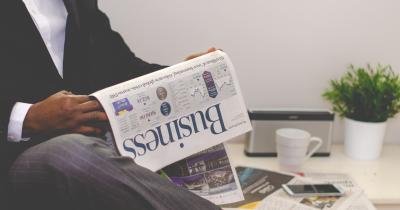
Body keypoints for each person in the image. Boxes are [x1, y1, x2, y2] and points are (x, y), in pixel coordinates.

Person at [0, 0, 220, 209]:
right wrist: (28, 118)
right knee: (70, 153)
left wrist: (179, 76)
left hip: (91, 147)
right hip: (16, 158)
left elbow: (119, 68)